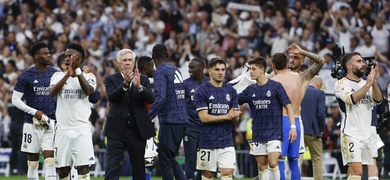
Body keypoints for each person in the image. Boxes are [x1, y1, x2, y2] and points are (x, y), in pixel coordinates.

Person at [238, 56, 297, 180]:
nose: (250, 72)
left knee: (273, 163)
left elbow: (288, 106)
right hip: (258, 133)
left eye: (253, 69)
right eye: (249, 69)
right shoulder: (250, 90)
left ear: (262, 70)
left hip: (274, 132)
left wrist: (293, 127)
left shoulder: (276, 87)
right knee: (262, 166)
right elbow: (235, 100)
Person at [103, 49, 156, 180]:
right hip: (116, 131)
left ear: (134, 62)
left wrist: (139, 87)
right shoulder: (111, 79)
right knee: (112, 170)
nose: (127, 63)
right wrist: (125, 85)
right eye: (124, 60)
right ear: (118, 63)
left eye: (130, 60)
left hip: (137, 131)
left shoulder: (143, 79)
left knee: (139, 171)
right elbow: (112, 97)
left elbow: (152, 98)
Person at [49, 43, 96, 180]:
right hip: (62, 129)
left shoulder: (89, 76)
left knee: (83, 168)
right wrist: (67, 75)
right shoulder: (58, 75)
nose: (67, 58)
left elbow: (88, 91)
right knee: (63, 171)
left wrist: (77, 72)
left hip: (81, 129)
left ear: (80, 59)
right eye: (66, 55)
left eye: (71, 55)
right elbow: (52, 93)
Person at [11, 42, 57, 180]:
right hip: (31, 124)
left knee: (50, 162)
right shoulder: (26, 75)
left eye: (49, 52)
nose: (49, 55)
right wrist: (34, 112)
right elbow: (15, 99)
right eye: (45, 53)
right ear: (36, 57)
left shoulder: (56, 74)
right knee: (33, 163)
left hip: (50, 123)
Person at [334, 52, 382, 180]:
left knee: (358, 171)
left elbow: (378, 100)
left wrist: (374, 81)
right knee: (357, 171)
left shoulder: (366, 82)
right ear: (349, 66)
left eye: (363, 61)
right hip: (351, 133)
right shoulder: (341, 84)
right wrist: (368, 84)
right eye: (359, 61)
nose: (363, 64)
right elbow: (351, 99)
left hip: (366, 133)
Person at [194, 58, 241, 180]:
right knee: (208, 175)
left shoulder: (231, 91)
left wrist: (235, 117)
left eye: (223, 70)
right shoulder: (202, 91)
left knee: (227, 173)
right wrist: (227, 116)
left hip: (226, 141)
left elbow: (235, 120)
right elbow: (204, 117)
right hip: (207, 141)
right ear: (209, 71)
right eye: (217, 69)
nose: (221, 72)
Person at [148, 44, 188, 180]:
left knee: (164, 159)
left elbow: (160, 98)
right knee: (170, 157)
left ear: (153, 57)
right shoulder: (176, 70)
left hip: (170, 120)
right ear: (167, 55)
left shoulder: (160, 71)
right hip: (182, 119)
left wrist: (148, 117)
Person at [287, 43, 325, 170]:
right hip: (279, 119)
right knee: (274, 160)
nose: (292, 60)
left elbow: (321, 61)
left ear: (303, 61)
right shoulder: (279, 74)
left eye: (296, 58)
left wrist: (302, 51)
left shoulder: (304, 76)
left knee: (296, 161)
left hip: (296, 120)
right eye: (291, 57)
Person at [270, 52, 302, 180]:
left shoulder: (273, 81)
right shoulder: (296, 76)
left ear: (273, 65)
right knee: (294, 161)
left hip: (282, 121)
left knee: (280, 160)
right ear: (287, 64)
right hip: (296, 120)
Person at [183, 57, 209, 180]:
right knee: (190, 158)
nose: (189, 69)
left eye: (192, 67)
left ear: (201, 68)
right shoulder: (186, 84)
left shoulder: (210, 83)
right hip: (191, 127)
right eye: (189, 67)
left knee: (204, 159)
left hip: (207, 127)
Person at [300, 76, 326, 180]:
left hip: (299, 129)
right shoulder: (319, 93)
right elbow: (321, 113)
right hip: (313, 130)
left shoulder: (300, 90)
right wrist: (321, 128)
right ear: (319, 84)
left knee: (297, 158)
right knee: (317, 158)